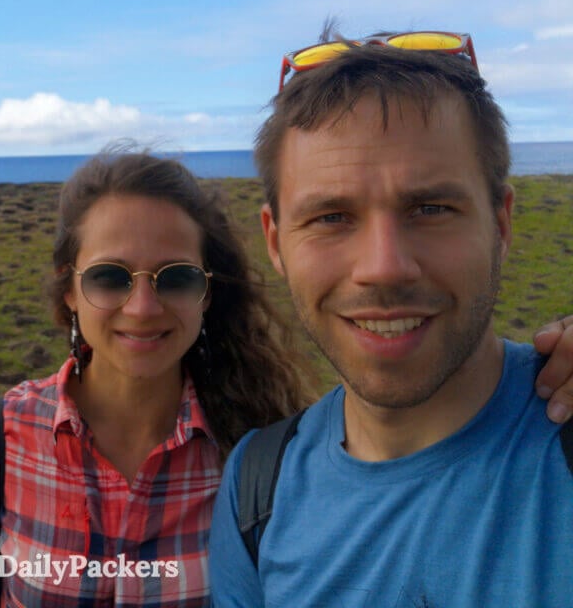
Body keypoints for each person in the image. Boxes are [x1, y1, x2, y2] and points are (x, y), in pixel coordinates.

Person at [0, 140, 573, 607]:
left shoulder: (259, 460)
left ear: (208, 293)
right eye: (110, 278)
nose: (143, 306)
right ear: (68, 290)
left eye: (175, 278)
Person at [209, 31, 573, 606]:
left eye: (431, 209)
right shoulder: (256, 489)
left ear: (500, 226)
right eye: (331, 217)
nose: (383, 268)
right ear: (276, 244)